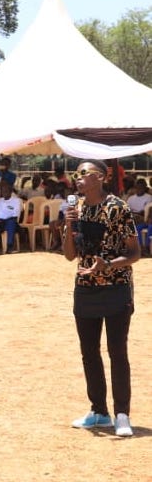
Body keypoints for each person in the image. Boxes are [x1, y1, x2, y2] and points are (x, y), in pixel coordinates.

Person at [62, 160, 139, 437]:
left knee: (117, 352)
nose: (78, 179)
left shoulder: (118, 207)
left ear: (102, 177)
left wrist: (106, 265)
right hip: (85, 287)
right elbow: (70, 255)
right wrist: (69, 225)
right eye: (76, 174)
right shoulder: (77, 209)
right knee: (89, 353)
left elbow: (134, 254)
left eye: (84, 174)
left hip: (116, 287)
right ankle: (98, 412)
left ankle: (121, 414)